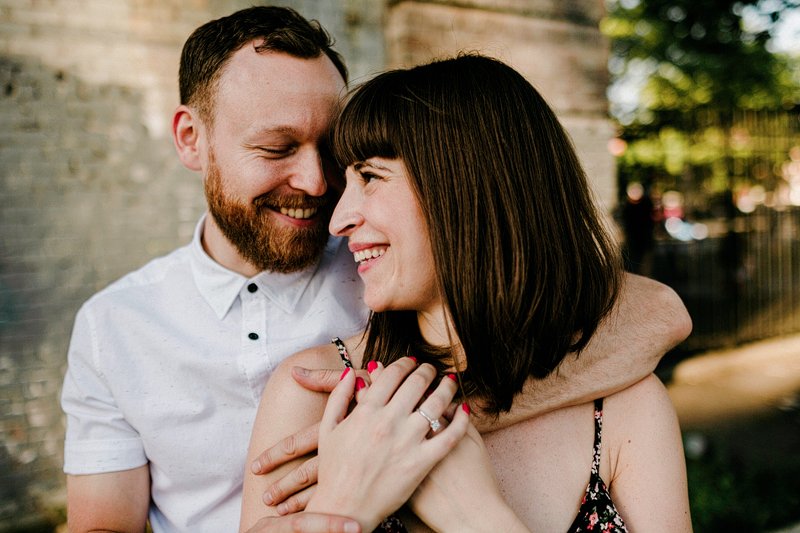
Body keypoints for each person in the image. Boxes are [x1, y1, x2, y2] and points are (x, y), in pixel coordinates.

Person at [61, 6, 690, 533]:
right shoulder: (114, 326)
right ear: (191, 138)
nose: (319, 188)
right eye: (276, 148)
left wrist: (428, 432)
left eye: (338, 156)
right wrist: (345, 499)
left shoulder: (397, 277)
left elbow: (654, 314)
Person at [241, 54, 692, 532]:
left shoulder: (626, 404)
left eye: (369, 177)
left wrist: (479, 518)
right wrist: (344, 504)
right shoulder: (314, 396)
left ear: (466, 186)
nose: (338, 219)